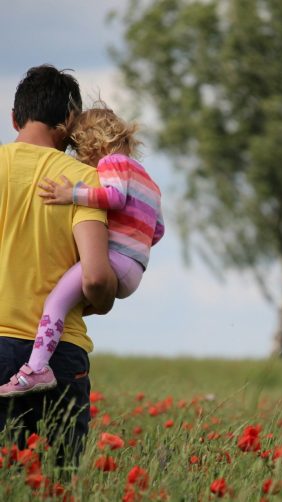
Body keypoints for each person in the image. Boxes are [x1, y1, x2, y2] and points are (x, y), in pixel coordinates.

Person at [0, 104, 164, 397]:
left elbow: (112, 198)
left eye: (78, 147)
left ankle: (37, 368)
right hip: (134, 268)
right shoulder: (149, 181)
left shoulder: (111, 164)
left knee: (56, 302)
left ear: (93, 142)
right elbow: (158, 230)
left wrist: (71, 194)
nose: (77, 156)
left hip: (113, 261)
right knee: (73, 299)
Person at [0, 65, 117, 462]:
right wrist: (100, 300)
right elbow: (98, 276)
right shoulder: (83, 181)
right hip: (58, 358)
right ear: (70, 122)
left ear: (15, 118)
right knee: (54, 484)